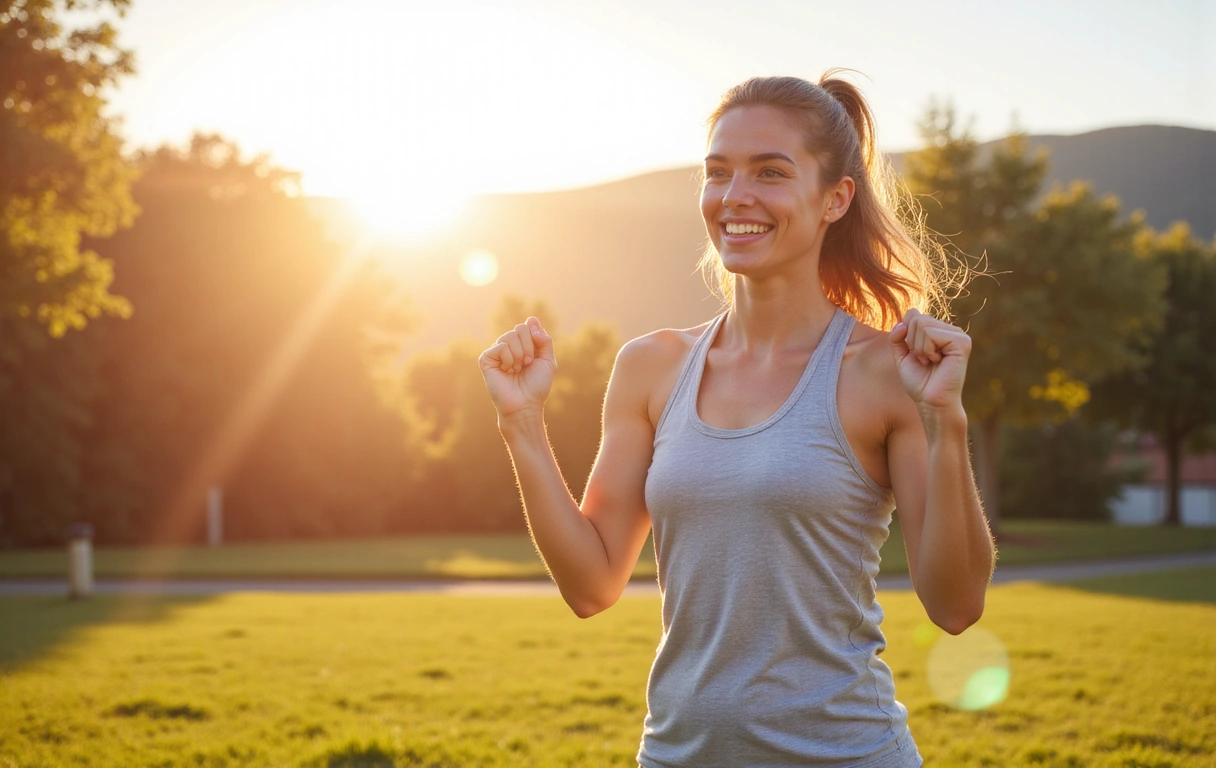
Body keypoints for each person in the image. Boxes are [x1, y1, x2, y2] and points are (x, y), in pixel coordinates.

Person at [478, 71, 996, 768]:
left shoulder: (886, 374)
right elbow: (592, 583)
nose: (735, 197)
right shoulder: (650, 367)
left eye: (770, 172)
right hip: (676, 755)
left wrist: (946, 422)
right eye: (717, 172)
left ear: (835, 198)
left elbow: (956, 606)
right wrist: (522, 426)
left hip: (847, 755)